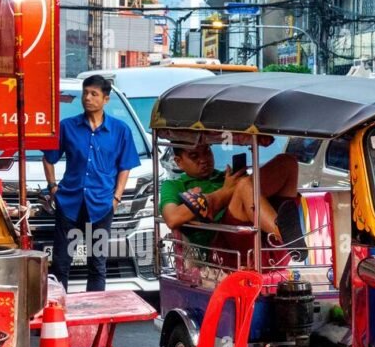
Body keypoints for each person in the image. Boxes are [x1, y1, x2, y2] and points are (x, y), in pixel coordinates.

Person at [42, 75, 140, 291]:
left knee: (97, 263)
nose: (87, 98)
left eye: (94, 94)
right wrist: (53, 187)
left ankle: (96, 316)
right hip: (69, 204)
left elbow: (125, 166)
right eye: (85, 93)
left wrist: (116, 197)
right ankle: (59, 314)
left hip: (101, 205)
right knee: (60, 264)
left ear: (106, 99)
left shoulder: (120, 130)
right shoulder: (67, 127)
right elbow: (48, 158)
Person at [159, 143, 304, 265]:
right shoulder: (173, 185)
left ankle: (286, 235)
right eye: (194, 156)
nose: (204, 160)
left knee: (288, 162)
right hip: (224, 250)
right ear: (179, 161)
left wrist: (243, 185)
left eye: (207, 152)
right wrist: (227, 191)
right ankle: (286, 235)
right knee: (245, 185)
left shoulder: (227, 176)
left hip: (265, 240)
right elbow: (172, 218)